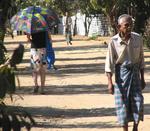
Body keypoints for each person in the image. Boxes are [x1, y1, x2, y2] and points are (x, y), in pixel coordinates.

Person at [105, 14, 146, 131]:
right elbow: (109, 63)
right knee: (122, 105)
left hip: (135, 75)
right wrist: (109, 82)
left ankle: (135, 127)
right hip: (121, 77)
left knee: (138, 101)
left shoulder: (138, 38)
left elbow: (141, 59)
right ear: (119, 27)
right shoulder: (113, 42)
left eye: (131, 25)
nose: (129, 28)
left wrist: (142, 78)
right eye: (126, 26)